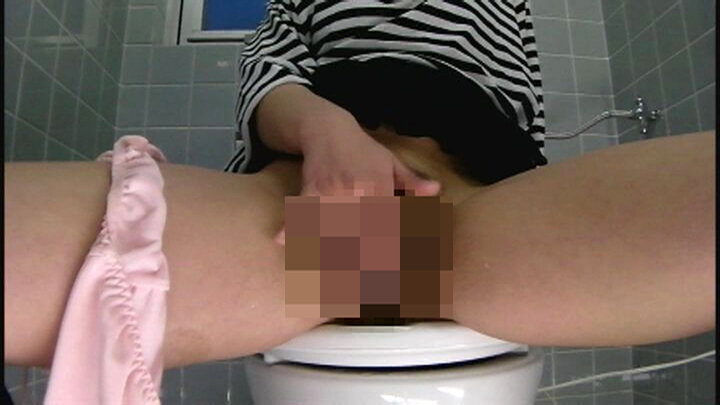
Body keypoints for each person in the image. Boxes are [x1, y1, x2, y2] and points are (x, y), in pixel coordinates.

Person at [4, 0, 715, 373]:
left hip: (471, 203)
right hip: (331, 193)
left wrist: (531, 192)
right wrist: (327, 130)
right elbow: (269, 72)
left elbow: (518, 99)